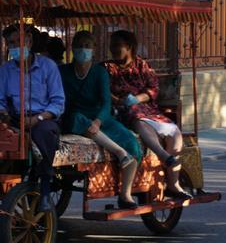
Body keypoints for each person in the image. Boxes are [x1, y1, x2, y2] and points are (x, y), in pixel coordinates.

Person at [105, 30, 192, 200]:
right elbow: (104, 91)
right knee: (139, 119)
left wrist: (137, 98)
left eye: (118, 45)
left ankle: (174, 184)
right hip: (123, 111)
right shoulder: (107, 68)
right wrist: (119, 101)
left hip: (148, 110)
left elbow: (153, 89)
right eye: (112, 46)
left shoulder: (142, 66)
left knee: (174, 133)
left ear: (129, 47)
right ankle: (163, 155)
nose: (113, 49)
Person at [59, 31, 142, 209]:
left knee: (131, 142)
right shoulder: (64, 71)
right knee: (77, 119)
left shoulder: (99, 72)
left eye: (87, 46)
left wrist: (98, 121)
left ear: (94, 49)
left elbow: (106, 102)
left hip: (100, 117)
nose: (83, 49)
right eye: (79, 45)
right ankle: (120, 153)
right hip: (74, 118)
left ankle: (125, 194)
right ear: (72, 48)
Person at [0, 24, 65, 211]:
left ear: (30, 41)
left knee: (43, 133)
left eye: (20, 41)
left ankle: (46, 189)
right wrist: (2, 113)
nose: (16, 46)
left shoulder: (48, 67)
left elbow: (58, 103)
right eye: (11, 43)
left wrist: (38, 118)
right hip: (15, 117)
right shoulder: (5, 70)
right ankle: (1, 183)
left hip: (44, 119)